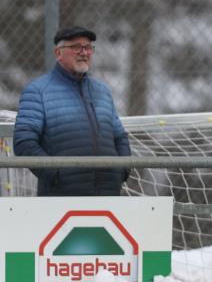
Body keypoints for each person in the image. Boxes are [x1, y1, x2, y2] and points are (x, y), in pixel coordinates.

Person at [14, 26, 131, 196]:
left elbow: (119, 136)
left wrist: (122, 171)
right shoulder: (38, 90)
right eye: (76, 47)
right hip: (62, 203)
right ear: (58, 53)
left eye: (88, 47)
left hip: (108, 197)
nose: (84, 52)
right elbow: (24, 142)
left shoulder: (103, 91)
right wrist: (56, 175)